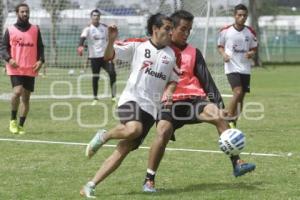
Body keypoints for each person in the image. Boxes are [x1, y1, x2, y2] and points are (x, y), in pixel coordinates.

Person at [142, 10, 256, 193]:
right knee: (162, 132)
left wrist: (219, 105)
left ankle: (237, 163)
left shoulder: (194, 52)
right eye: (183, 29)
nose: (186, 33)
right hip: (170, 103)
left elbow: (206, 80)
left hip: (195, 100)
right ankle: (149, 179)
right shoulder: (160, 49)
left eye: (189, 30)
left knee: (219, 117)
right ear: (171, 29)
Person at [80, 13, 181, 198]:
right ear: (155, 29)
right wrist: (111, 40)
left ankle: (90, 185)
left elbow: (174, 79)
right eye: (167, 28)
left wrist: (169, 91)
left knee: (124, 148)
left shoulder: (173, 54)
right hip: (131, 98)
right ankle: (105, 135)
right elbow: (108, 55)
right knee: (134, 129)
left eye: (171, 28)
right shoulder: (138, 45)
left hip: (151, 109)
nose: (171, 31)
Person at [0, 3, 44, 134]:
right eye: (22, 12)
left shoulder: (35, 29)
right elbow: (3, 48)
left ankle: (21, 125)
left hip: (31, 68)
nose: (25, 14)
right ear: (17, 13)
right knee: (17, 92)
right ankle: (12, 120)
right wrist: (9, 59)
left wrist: (41, 61)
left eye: (27, 12)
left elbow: (41, 47)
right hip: (15, 68)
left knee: (26, 98)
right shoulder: (10, 30)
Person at [217, 4, 258, 128]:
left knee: (241, 96)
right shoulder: (225, 30)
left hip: (245, 68)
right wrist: (223, 54)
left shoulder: (250, 32)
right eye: (239, 15)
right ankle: (227, 116)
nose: (242, 17)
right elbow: (220, 46)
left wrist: (251, 53)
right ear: (234, 15)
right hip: (231, 66)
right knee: (238, 91)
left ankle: (233, 121)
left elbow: (254, 47)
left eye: (244, 15)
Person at [77, 9, 117, 105]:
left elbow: (112, 36)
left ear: (100, 17)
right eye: (94, 15)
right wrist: (81, 46)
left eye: (98, 15)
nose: (96, 17)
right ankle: (95, 98)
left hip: (106, 56)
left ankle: (114, 96)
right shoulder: (88, 29)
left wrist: (114, 29)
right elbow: (82, 38)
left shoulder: (104, 27)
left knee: (112, 73)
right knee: (96, 77)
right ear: (91, 17)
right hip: (94, 57)